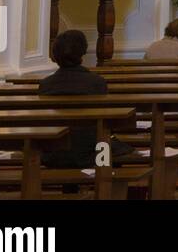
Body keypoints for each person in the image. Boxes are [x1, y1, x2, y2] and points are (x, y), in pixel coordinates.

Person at [39, 30, 126, 168]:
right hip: (91, 151)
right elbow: (105, 118)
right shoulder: (96, 82)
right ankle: (108, 178)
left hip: (55, 152)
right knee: (115, 149)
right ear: (83, 52)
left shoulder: (46, 84)